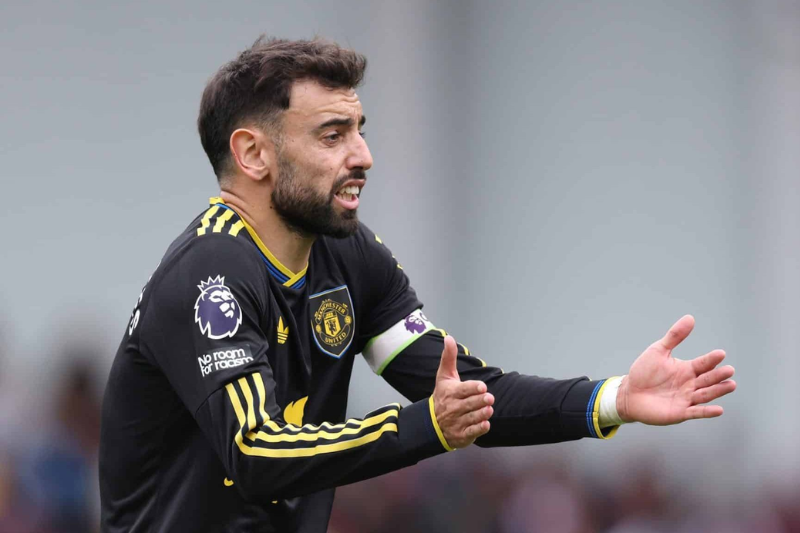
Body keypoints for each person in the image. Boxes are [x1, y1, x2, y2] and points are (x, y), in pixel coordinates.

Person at [98, 36, 737, 533]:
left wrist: (615, 398)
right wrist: (425, 426)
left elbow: (466, 395)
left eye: (360, 130)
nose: (363, 156)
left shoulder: (350, 258)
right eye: (332, 135)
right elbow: (257, 452)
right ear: (253, 154)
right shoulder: (211, 271)